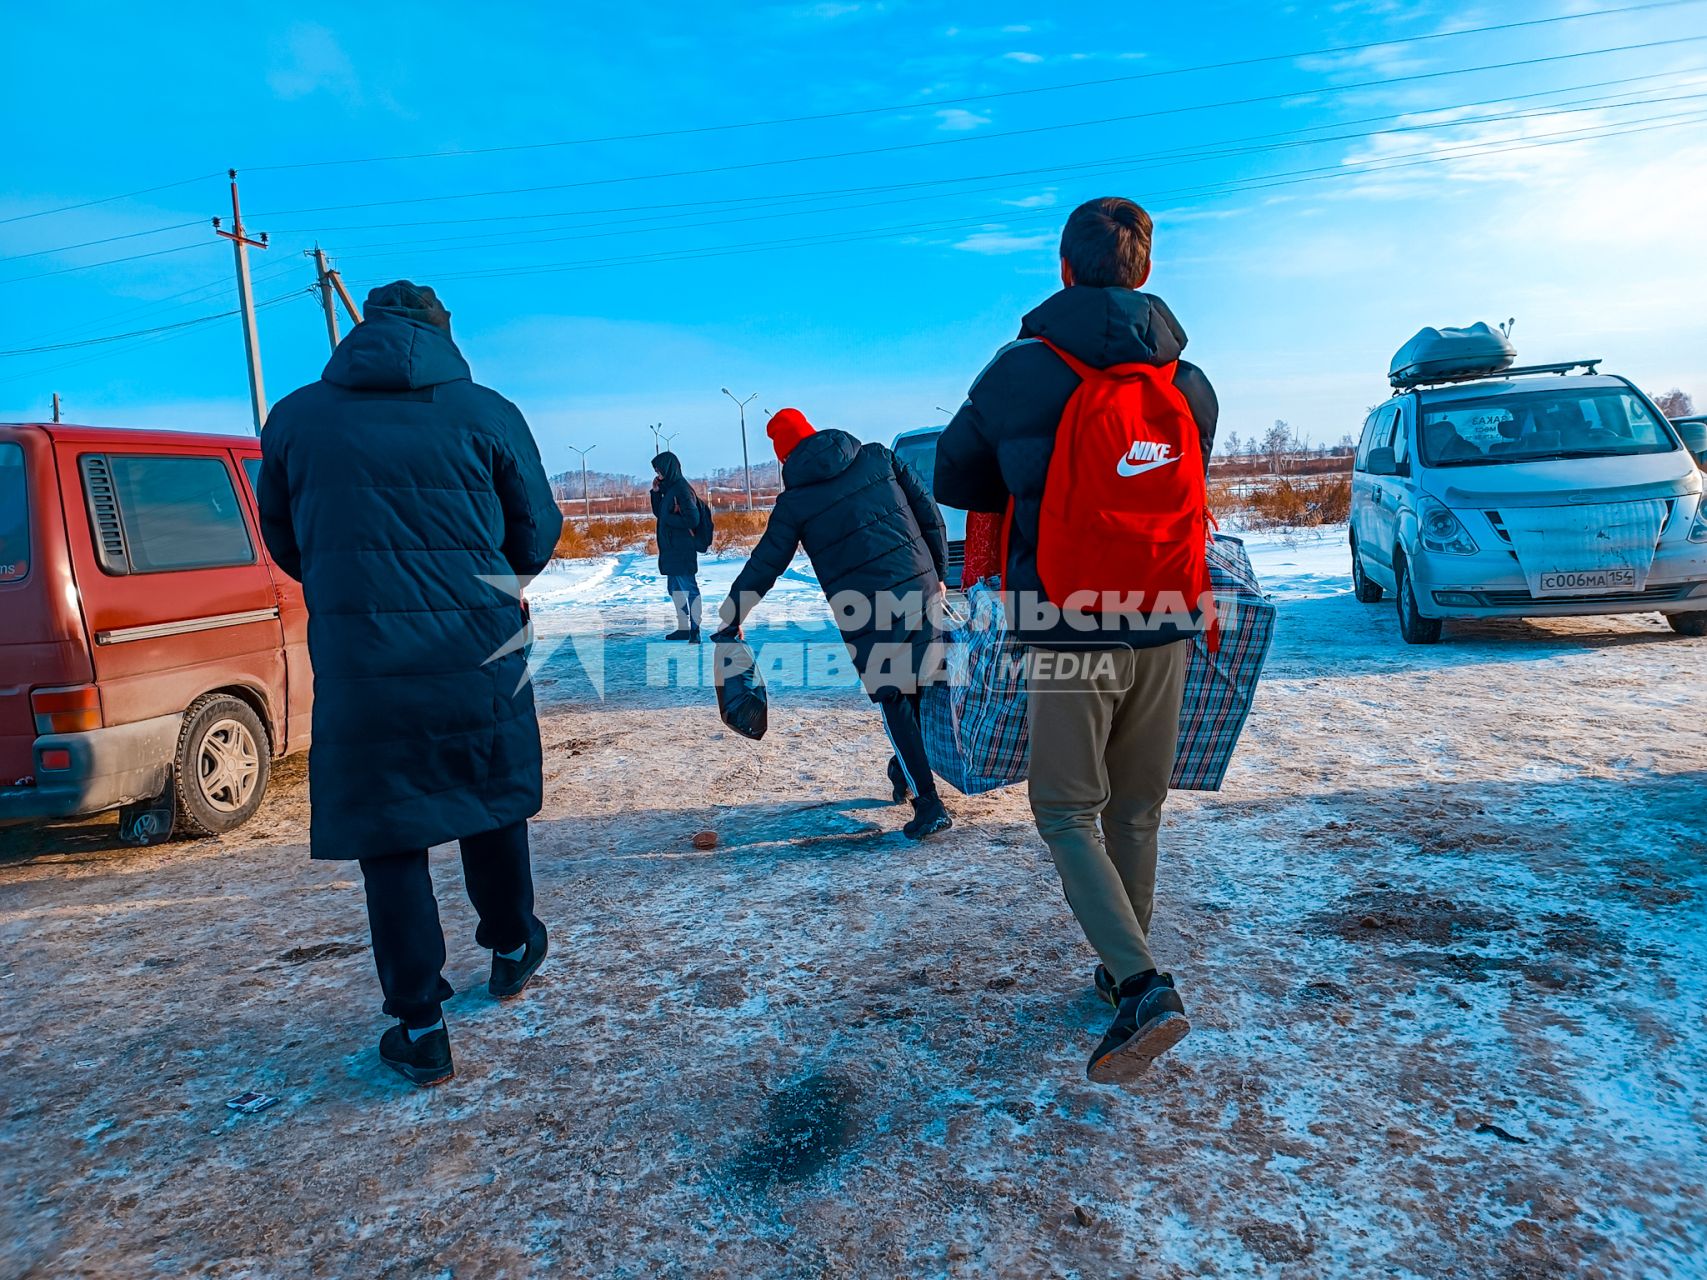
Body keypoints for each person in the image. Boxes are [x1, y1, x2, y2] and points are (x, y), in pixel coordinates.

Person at [933, 198, 1218, 1082]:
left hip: (1068, 621)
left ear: (1063, 270)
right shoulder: (1188, 380)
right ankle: (1116, 968)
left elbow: (954, 474)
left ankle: (1139, 983)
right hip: (1165, 616)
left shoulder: (1018, 371)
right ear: (1143, 272)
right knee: (1136, 807)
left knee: (1063, 808)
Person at [257, 281, 564, 1087]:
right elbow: (536, 529)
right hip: (475, 642)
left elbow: (287, 539)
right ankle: (509, 944)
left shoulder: (294, 417)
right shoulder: (489, 413)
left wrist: (355, 590)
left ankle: (421, 1025)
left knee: (389, 837)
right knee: (488, 797)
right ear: (444, 332)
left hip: (363, 660)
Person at [714, 408, 953, 839]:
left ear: (784, 458)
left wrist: (732, 614)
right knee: (920, 684)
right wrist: (938, 571)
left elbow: (765, 563)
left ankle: (928, 803)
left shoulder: (796, 502)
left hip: (869, 612)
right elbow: (929, 512)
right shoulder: (878, 457)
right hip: (920, 591)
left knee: (896, 698)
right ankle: (905, 769)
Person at [649, 451, 707, 642]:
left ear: (669, 468)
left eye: (660, 470)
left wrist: (668, 518)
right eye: (656, 471)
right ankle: (683, 627)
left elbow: (692, 519)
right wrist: (656, 493)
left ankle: (695, 630)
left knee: (689, 588)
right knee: (674, 589)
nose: (658, 474)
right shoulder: (670, 489)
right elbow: (660, 513)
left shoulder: (682, 489)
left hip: (682, 548)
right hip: (671, 549)